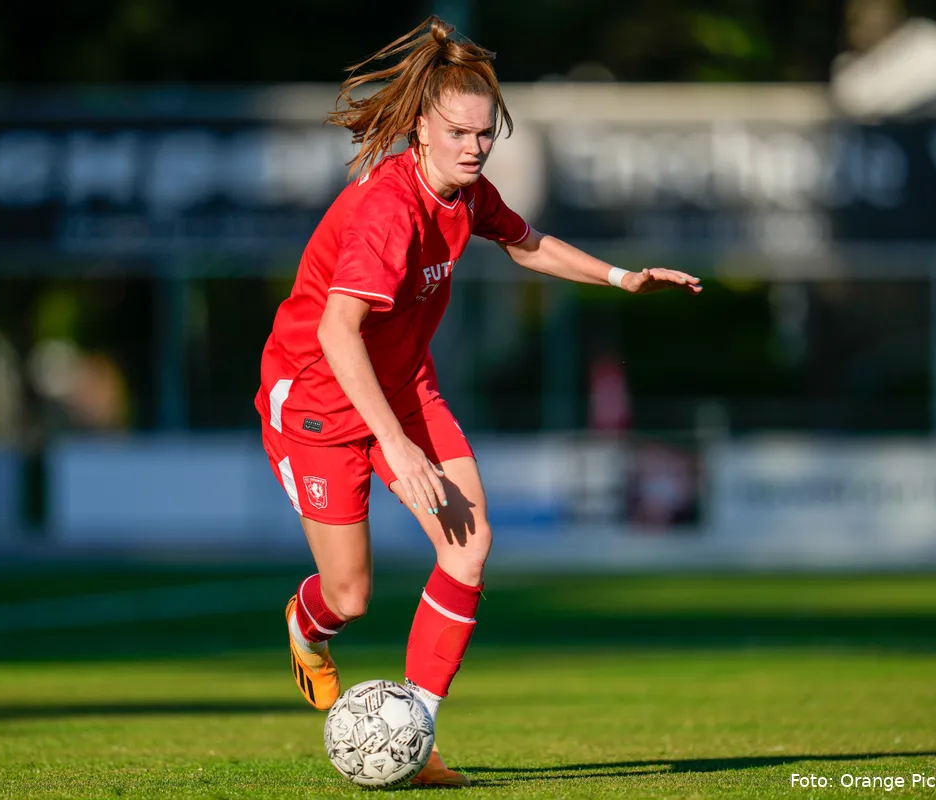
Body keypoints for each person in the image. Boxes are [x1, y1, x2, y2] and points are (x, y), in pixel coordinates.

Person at [253, 16, 701, 786]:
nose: (473, 147)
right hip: (319, 403)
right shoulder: (388, 211)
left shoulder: (464, 194)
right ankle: (305, 623)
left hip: (401, 388)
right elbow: (336, 330)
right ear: (420, 129)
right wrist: (394, 446)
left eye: (484, 134)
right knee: (349, 595)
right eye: (458, 133)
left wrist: (621, 277)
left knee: (468, 545)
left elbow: (527, 242)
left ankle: (415, 735)